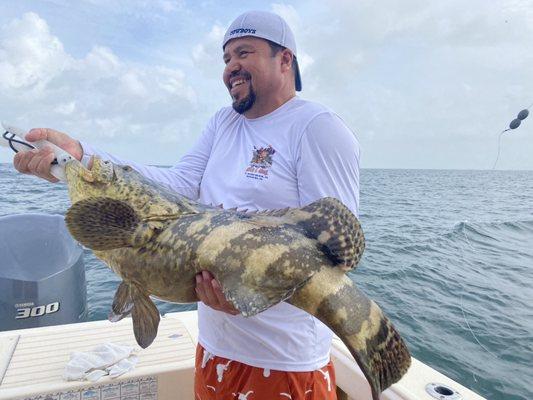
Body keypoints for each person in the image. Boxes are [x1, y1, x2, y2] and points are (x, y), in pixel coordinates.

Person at [14, 10, 361, 400]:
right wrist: (84, 156)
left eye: (244, 53)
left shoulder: (318, 127)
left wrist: (251, 295)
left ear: (285, 60)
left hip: (282, 362)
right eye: (226, 58)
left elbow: (334, 252)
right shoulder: (222, 124)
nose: (232, 67)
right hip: (216, 348)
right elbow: (179, 185)